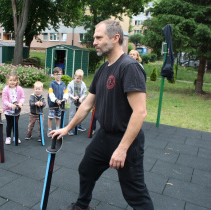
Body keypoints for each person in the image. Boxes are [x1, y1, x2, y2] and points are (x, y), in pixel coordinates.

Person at [51, 19, 154, 210]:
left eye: (99, 37)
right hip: (104, 135)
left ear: (115, 38)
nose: (94, 42)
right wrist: (67, 127)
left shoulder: (129, 67)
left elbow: (140, 112)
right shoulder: (103, 69)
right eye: (94, 38)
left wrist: (122, 149)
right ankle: (82, 206)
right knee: (86, 169)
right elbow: (86, 104)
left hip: (126, 140)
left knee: (134, 192)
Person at [2, 72, 25, 144]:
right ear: (7, 81)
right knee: (9, 124)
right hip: (8, 110)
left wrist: (21, 103)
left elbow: (22, 97)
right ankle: (8, 137)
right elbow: (4, 100)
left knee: (15, 124)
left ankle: (16, 137)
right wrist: (10, 105)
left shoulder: (19, 89)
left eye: (14, 80)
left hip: (16, 110)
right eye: (10, 80)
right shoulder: (5, 89)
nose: (12, 82)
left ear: (17, 81)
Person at [47, 67, 68, 137]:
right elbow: (50, 93)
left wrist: (64, 99)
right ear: (54, 75)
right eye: (56, 74)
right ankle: (49, 130)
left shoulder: (63, 84)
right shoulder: (52, 84)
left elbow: (66, 93)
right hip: (52, 104)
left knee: (58, 117)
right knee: (50, 117)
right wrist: (56, 100)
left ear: (61, 74)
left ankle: (58, 130)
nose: (58, 76)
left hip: (60, 105)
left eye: (59, 74)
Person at [67, 69, 87, 136]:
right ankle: (69, 129)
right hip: (73, 101)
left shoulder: (83, 84)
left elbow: (84, 93)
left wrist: (81, 98)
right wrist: (73, 97)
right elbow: (68, 93)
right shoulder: (71, 83)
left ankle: (79, 125)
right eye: (77, 78)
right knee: (72, 114)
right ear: (74, 76)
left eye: (80, 78)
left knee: (80, 114)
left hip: (80, 101)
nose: (79, 80)